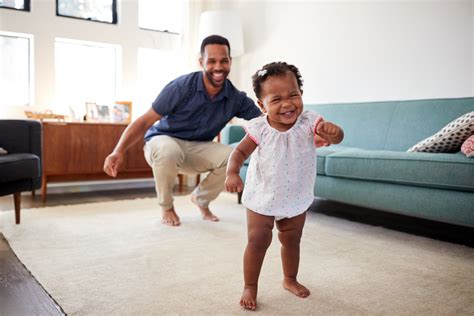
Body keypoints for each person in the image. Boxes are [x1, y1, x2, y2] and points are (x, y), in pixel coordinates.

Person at [103, 35, 262, 227]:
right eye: (211, 61)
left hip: (198, 148)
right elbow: (145, 121)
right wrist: (118, 150)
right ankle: (167, 207)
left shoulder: (235, 98)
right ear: (201, 61)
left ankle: (201, 199)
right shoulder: (181, 87)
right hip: (163, 141)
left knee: (231, 156)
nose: (218, 67)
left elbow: (263, 122)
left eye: (224, 61)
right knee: (169, 150)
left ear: (230, 62)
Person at [225, 62, 344, 310]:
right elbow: (238, 152)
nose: (287, 104)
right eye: (276, 99)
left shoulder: (310, 121)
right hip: (263, 193)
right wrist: (233, 173)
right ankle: (250, 285)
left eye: (293, 95)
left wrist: (334, 132)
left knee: (292, 239)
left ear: (301, 93)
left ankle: (290, 278)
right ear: (262, 105)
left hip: (296, 193)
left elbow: (336, 137)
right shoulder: (260, 128)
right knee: (258, 240)